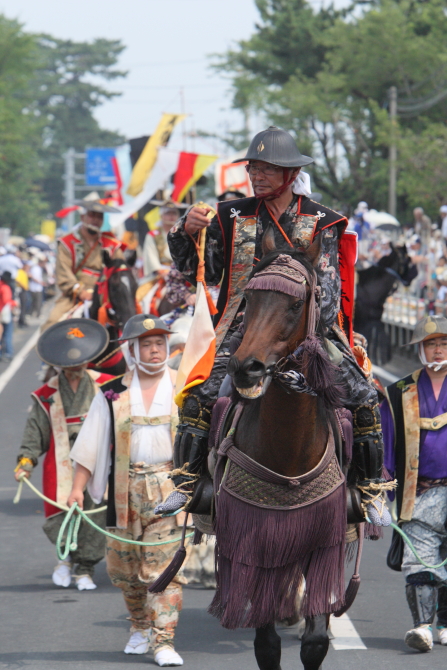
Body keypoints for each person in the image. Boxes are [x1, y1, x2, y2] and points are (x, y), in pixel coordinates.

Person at [164, 125, 386, 519]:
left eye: (266, 168)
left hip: (308, 329)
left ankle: (370, 490)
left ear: (289, 174)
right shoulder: (230, 216)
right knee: (199, 391)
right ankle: (187, 484)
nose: (257, 176)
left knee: (365, 396)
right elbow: (204, 271)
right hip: (241, 327)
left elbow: (330, 291)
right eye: (253, 168)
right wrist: (185, 232)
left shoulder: (323, 221)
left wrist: (306, 334)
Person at [68, 315, 185, 667]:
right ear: (132, 349)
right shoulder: (112, 393)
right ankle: (139, 627)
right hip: (123, 489)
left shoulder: (185, 387)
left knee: (164, 567)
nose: (154, 350)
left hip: (170, 490)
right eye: (146, 344)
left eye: (160, 343)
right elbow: (90, 444)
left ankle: (164, 641)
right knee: (125, 569)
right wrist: (76, 490)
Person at [14, 319, 112, 590]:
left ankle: (85, 569)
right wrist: (26, 460)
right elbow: (35, 430)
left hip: (96, 461)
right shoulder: (46, 394)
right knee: (60, 513)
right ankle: (64, 559)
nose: (74, 366)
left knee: (94, 513)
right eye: (68, 363)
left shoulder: (108, 386)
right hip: (60, 464)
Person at [381, 315, 447, 652]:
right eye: (432, 344)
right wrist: (380, 493)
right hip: (417, 493)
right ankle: (422, 627)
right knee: (420, 560)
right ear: (420, 349)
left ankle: (446, 623)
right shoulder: (399, 391)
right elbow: (387, 445)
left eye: (444, 343)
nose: (438, 350)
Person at [43, 198, 124, 331]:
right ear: (82, 217)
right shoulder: (67, 242)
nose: (95, 220)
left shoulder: (112, 245)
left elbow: (120, 271)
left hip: (106, 294)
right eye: (92, 215)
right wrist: (81, 292)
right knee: (51, 324)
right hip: (74, 295)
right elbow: (64, 274)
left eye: (99, 217)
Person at [142, 201, 180, 280]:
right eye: (168, 213)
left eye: (174, 213)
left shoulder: (183, 234)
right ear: (161, 216)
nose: (171, 216)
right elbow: (151, 256)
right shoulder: (152, 235)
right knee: (143, 292)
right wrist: (161, 271)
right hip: (161, 274)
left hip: (181, 273)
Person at [0, 271, 16, 361]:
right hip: (4, 313)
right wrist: (14, 303)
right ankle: (8, 353)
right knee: (7, 333)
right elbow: (6, 300)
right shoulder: (5, 287)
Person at [29, 254, 46, 318]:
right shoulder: (35, 268)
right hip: (35, 288)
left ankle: (34, 313)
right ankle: (36, 313)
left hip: (37, 288)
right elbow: (34, 277)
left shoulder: (38, 268)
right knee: (37, 301)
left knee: (36, 301)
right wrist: (41, 282)